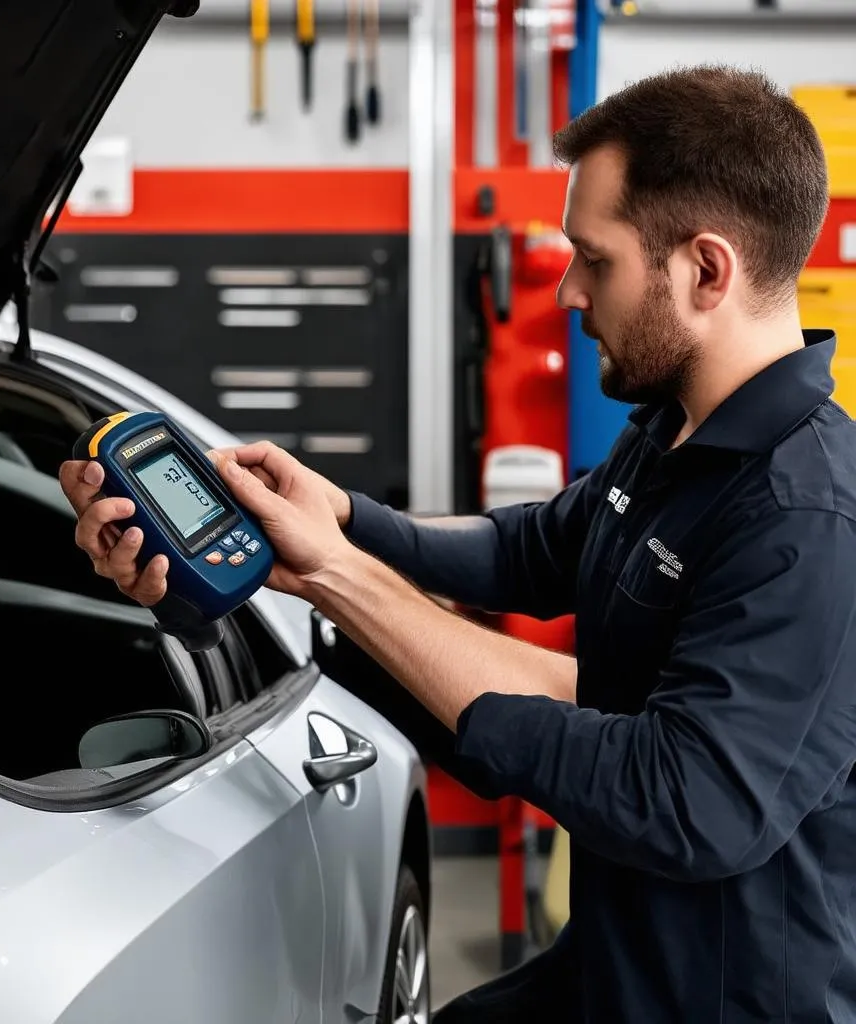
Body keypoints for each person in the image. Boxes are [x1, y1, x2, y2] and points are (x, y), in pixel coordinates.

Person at [60, 65, 856, 1023]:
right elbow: (526, 549)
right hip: (615, 963)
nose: (566, 291)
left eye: (592, 260)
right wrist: (340, 520)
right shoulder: (674, 432)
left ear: (706, 270)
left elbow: (689, 804)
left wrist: (338, 577)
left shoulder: (808, 519)